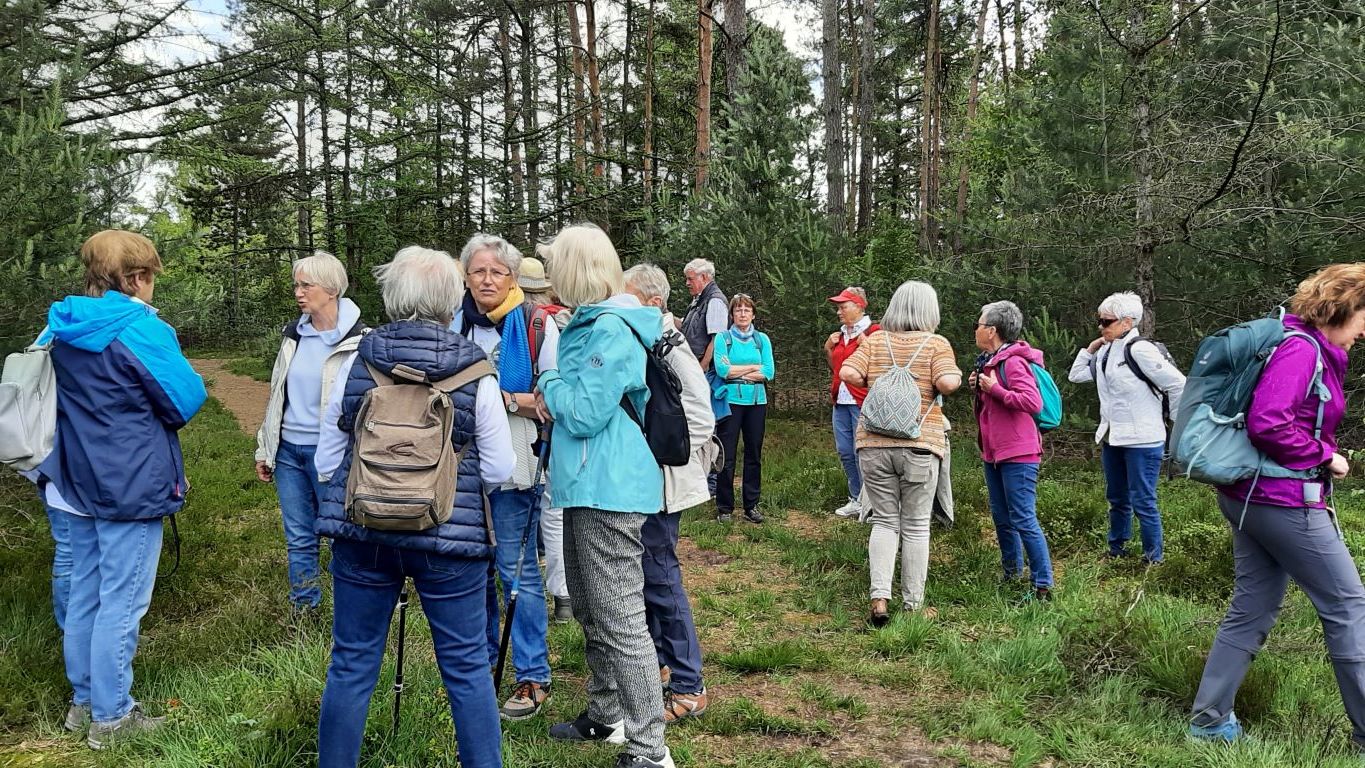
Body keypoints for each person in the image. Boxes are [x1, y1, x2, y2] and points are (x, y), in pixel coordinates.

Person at [312, 246, 514, 768]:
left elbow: (327, 460)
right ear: (452, 299)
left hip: (364, 532)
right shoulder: (475, 370)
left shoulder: (358, 361)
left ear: (392, 297)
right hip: (450, 538)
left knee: (351, 663)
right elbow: (498, 468)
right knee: (466, 667)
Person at [37, 229, 207, 748]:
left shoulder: (62, 323)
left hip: (72, 479)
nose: (152, 284)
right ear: (135, 278)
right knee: (122, 601)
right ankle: (112, 718)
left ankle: (84, 703)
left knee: (86, 594)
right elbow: (185, 399)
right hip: (128, 482)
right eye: (149, 275)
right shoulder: (139, 327)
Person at [1188, 264, 1365, 745]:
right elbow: (1268, 422)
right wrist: (1325, 456)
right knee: (1348, 606)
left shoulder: (1299, 342)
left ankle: (1209, 722)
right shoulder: (1301, 350)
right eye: (1363, 318)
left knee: (1253, 606)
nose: (1364, 331)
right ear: (1344, 308)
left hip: (1253, 497)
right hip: (1282, 500)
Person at [536, 225, 675, 768]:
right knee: (592, 606)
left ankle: (650, 749)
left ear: (573, 270)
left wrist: (548, 383)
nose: (549, 276)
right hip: (586, 483)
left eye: (554, 266)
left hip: (610, 485)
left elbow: (584, 413)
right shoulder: (589, 323)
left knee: (620, 618)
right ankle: (606, 713)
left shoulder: (611, 329)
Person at [451, 233, 556, 720]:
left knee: (517, 572)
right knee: (475, 569)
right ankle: (482, 666)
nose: (487, 279)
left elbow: (551, 402)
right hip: (459, 469)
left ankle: (533, 675)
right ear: (466, 277)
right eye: (479, 271)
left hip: (516, 467)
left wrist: (500, 399)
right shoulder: (453, 325)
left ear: (513, 277)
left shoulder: (536, 325)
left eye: (497, 271)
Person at [624, 263, 717, 723]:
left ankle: (689, 684)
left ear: (654, 303)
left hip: (662, 485)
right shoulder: (644, 342)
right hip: (644, 484)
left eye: (628, 298)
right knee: (647, 577)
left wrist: (655, 455)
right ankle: (661, 663)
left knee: (661, 576)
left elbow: (700, 418)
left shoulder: (671, 347)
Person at [839, 281, 960, 626]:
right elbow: (948, 383)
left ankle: (879, 600)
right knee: (917, 526)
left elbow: (848, 372)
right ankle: (913, 604)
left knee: (884, 521)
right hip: (920, 445)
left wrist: (876, 383)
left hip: (873, 444)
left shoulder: (875, 340)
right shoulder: (936, 344)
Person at [254, 251, 366, 611]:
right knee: (299, 536)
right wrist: (265, 448)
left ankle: (350, 609)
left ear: (331, 289)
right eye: (296, 285)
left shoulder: (360, 340)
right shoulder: (294, 336)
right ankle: (305, 608)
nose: (298, 293)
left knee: (339, 533)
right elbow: (277, 394)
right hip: (289, 452)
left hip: (332, 454)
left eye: (306, 285)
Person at [1067, 291, 1185, 563]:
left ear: (1127, 322)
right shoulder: (1106, 351)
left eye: (1106, 321)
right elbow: (1076, 375)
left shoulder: (1140, 350)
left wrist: (1176, 424)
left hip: (1143, 439)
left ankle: (1153, 559)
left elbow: (1178, 384)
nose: (1101, 326)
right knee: (1117, 498)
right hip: (1113, 437)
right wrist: (1091, 348)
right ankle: (1117, 550)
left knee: (1143, 500)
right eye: (1099, 320)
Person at [970, 300, 1055, 601]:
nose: (976, 329)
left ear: (992, 330)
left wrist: (995, 390)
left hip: (1019, 453)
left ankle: (1042, 585)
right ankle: (1011, 575)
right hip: (994, 452)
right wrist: (981, 387)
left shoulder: (1014, 362)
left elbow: (1032, 402)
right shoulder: (991, 361)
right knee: (1001, 517)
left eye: (979, 324)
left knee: (1023, 518)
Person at [524, 247, 574, 624]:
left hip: (524, 424)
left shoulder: (527, 322)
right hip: (551, 428)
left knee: (520, 510)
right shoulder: (556, 321)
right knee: (553, 512)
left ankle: (525, 588)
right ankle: (563, 596)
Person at [712, 294, 775, 524]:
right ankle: (725, 508)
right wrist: (753, 367)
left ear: (753, 314)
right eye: (738, 310)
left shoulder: (762, 340)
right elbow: (722, 371)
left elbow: (769, 372)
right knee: (726, 454)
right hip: (731, 403)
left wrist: (737, 370)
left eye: (747, 310)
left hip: (757, 402)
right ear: (732, 314)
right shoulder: (723, 338)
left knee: (753, 454)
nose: (742, 314)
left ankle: (751, 505)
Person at [824, 286, 879, 519]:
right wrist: (828, 348)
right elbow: (837, 369)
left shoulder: (875, 332)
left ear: (859, 306)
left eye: (843, 307)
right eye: (838, 308)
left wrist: (868, 346)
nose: (839, 312)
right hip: (841, 401)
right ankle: (856, 497)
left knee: (863, 452)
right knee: (845, 451)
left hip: (863, 401)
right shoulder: (839, 336)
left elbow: (880, 368)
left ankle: (872, 502)